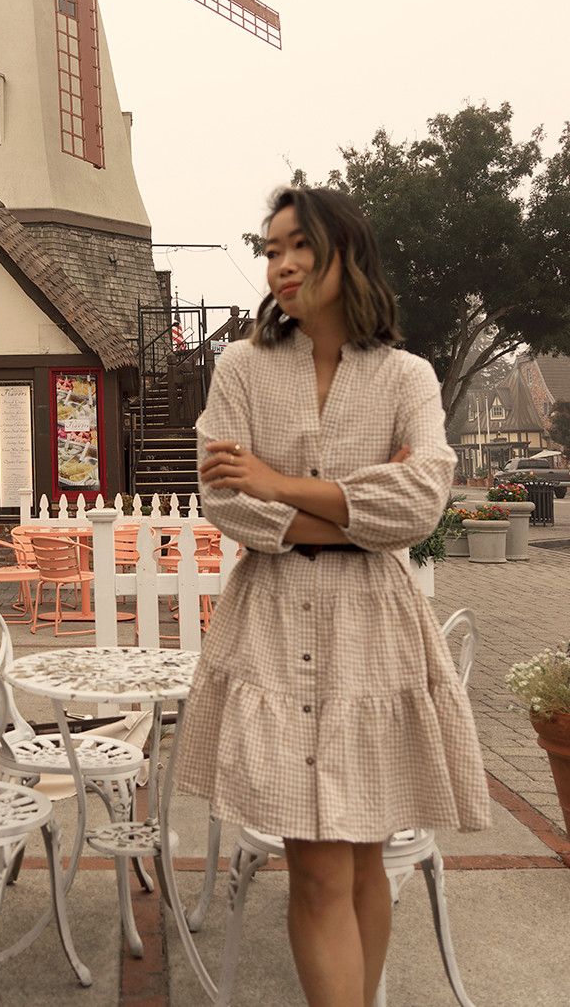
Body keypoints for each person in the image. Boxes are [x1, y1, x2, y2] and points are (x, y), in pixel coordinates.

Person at [176, 186, 490, 1007]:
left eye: (297, 247)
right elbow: (226, 500)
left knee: (361, 860)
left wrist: (282, 482)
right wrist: (357, 512)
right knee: (316, 867)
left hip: (374, 641)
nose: (279, 264)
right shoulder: (241, 369)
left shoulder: (407, 377)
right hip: (274, 631)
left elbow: (420, 503)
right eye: (270, 250)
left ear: (342, 253)